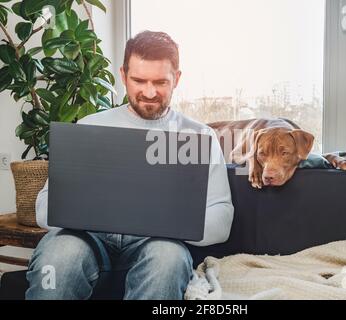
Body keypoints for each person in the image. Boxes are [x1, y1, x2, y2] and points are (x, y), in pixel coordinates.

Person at [26, 31, 234, 300]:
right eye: (138, 80)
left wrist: (168, 221)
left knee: (167, 259)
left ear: (177, 79)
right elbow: (44, 207)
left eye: (160, 82)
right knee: (59, 257)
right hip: (88, 240)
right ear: (123, 76)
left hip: (158, 244)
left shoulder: (199, 137)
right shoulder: (90, 126)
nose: (149, 92)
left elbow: (222, 216)